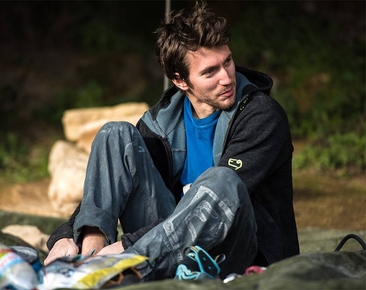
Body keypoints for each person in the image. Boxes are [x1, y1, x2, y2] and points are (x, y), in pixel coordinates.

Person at [44, 1, 299, 281]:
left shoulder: (262, 116)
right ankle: (87, 259)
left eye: (227, 61)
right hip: (168, 250)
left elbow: (216, 205)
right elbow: (108, 185)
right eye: (209, 72)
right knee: (115, 133)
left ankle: (121, 269)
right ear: (180, 81)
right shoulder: (162, 121)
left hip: (235, 253)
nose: (226, 78)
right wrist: (66, 234)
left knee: (222, 180)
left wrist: (128, 247)